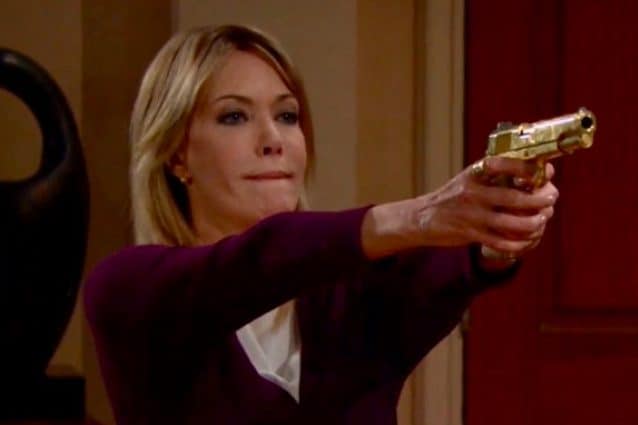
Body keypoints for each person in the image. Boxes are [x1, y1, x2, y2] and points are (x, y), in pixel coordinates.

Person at [84, 24, 558, 425]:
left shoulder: (346, 298)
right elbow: (255, 262)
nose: (273, 139)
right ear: (176, 154)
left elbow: (440, 274)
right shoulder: (129, 290)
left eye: (287, 116)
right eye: (234, 117)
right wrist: (422, 214)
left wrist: (499, 227)